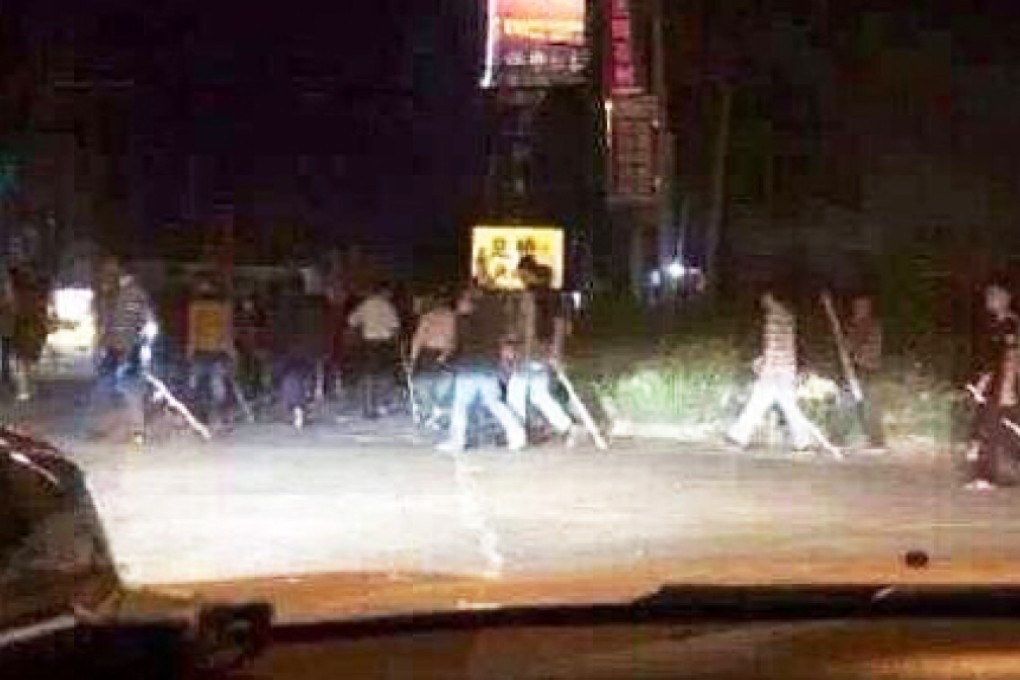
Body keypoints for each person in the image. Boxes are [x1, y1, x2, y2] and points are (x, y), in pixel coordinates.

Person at [727, 286, 817, 452]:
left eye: (766, 298)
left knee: (759, 404)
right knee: (784, 406)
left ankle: (739, 436)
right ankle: (803, 440)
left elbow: (772, 346)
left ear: (771, 298)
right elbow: (792, 346)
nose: (763, 301)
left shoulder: (773, 318)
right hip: (786, 370)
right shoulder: (790, 317)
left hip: (774, 371)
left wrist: (764, 365)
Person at [437, 287, 525, 453]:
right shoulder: (493, 319)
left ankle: (457, 441)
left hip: (469, 366)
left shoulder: (463, 319)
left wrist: (445, 358)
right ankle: (517, 435)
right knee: (494, 402)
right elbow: (501, 341)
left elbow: (456, 343)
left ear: (468, 302)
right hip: (489, 365)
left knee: (461, 405)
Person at [506, 256, 578, 445]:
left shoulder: (528, 296)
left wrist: (523, 352)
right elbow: (562, 326)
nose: (520, 278)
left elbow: (529, 327)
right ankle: (565, 427)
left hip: (532, 351)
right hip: (546, 351)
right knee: (538, 394)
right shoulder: (555, 296)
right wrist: (556, 352)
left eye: (521, 274)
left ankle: (517, 436)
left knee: (515, 391)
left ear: (528, 273)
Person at [965, 283, 1020, 490]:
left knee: (993, 427)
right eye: (988, 295)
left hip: (1004, 385)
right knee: (992, 426)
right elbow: (989, 359)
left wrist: (1006, 387)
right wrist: (980, 382)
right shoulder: (993, 325)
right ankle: (985, 474)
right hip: (993, 384)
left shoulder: (1010, 324)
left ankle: (987, 476)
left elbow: (1011, 358)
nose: (989, 299)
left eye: (994, 295)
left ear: (1006, 298)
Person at [94, 269, 154, 441]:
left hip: (123, 350)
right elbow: (147, 325)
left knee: (118, 388)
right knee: (124, 389)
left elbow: (107, 325)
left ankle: (124, 430)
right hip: (126, 350)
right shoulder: (131, 296)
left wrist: (102, 346)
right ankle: (134, 431)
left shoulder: (119, 296)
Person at [347, 282, 401, 419]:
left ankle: (368, 407)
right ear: (384, 292)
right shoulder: (389, 306)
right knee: (385, 375)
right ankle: (383, 403)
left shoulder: (366, 304)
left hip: (369, 343)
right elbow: (395, 327)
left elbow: (351, 321)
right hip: (385, 344)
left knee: (369, 375)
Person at [186, 276, 234, 426]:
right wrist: (231, 350)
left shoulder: (195, 306)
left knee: (198, 384)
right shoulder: (224, 307)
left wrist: (190, 349)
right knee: (217, 385)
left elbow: (192, 330)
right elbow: (227, 330)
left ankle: (201, 416)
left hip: (200, 350)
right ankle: (220, 416)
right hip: (218, 350)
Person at [844, 293, 885, 448]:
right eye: (856, 307)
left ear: (868, 309)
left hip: (869, 370)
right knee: (845, 402)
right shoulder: (852, 326)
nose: (858, 310)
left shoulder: (873, 326)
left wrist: (855, 354)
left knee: (870, 407)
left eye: (862, 307)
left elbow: (871, 348)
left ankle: (876, 442)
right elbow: (847, 345)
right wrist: (847, 348)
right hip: (853, 371)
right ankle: (839, 437)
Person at [409, 291, 457, 425]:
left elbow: (418, 339)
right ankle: (434, 411)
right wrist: (446, 354)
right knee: (436, 384)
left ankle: (431, 411)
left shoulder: (429, 317)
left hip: (430, 353)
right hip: (436, 353)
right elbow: (452, 339)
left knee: (427, 384)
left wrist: (413, 358)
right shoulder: (450, 317)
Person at [9, 266, 50, 402]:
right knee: (25, 362)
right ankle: (27, 388)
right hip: (25, 331)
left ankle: (26, 389)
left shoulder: (23, 294)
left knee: (24, 362)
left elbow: (27, 312)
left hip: (27, 330)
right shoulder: (28, 294)